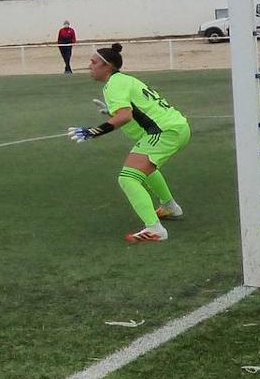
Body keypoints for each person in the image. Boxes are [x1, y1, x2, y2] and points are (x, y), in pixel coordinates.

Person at [67, 43, 190, 243]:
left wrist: (93, 132)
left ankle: (155, 229)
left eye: (94, 62)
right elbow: (135, 109)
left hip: (165, 132)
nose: (90, 65)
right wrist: (111, 112)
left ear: (107, 66)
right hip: (176, 127)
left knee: (127, 178)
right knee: (145, 168)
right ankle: (169, 207)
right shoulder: (124, 80)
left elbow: (124, 116)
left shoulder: (114, 84)